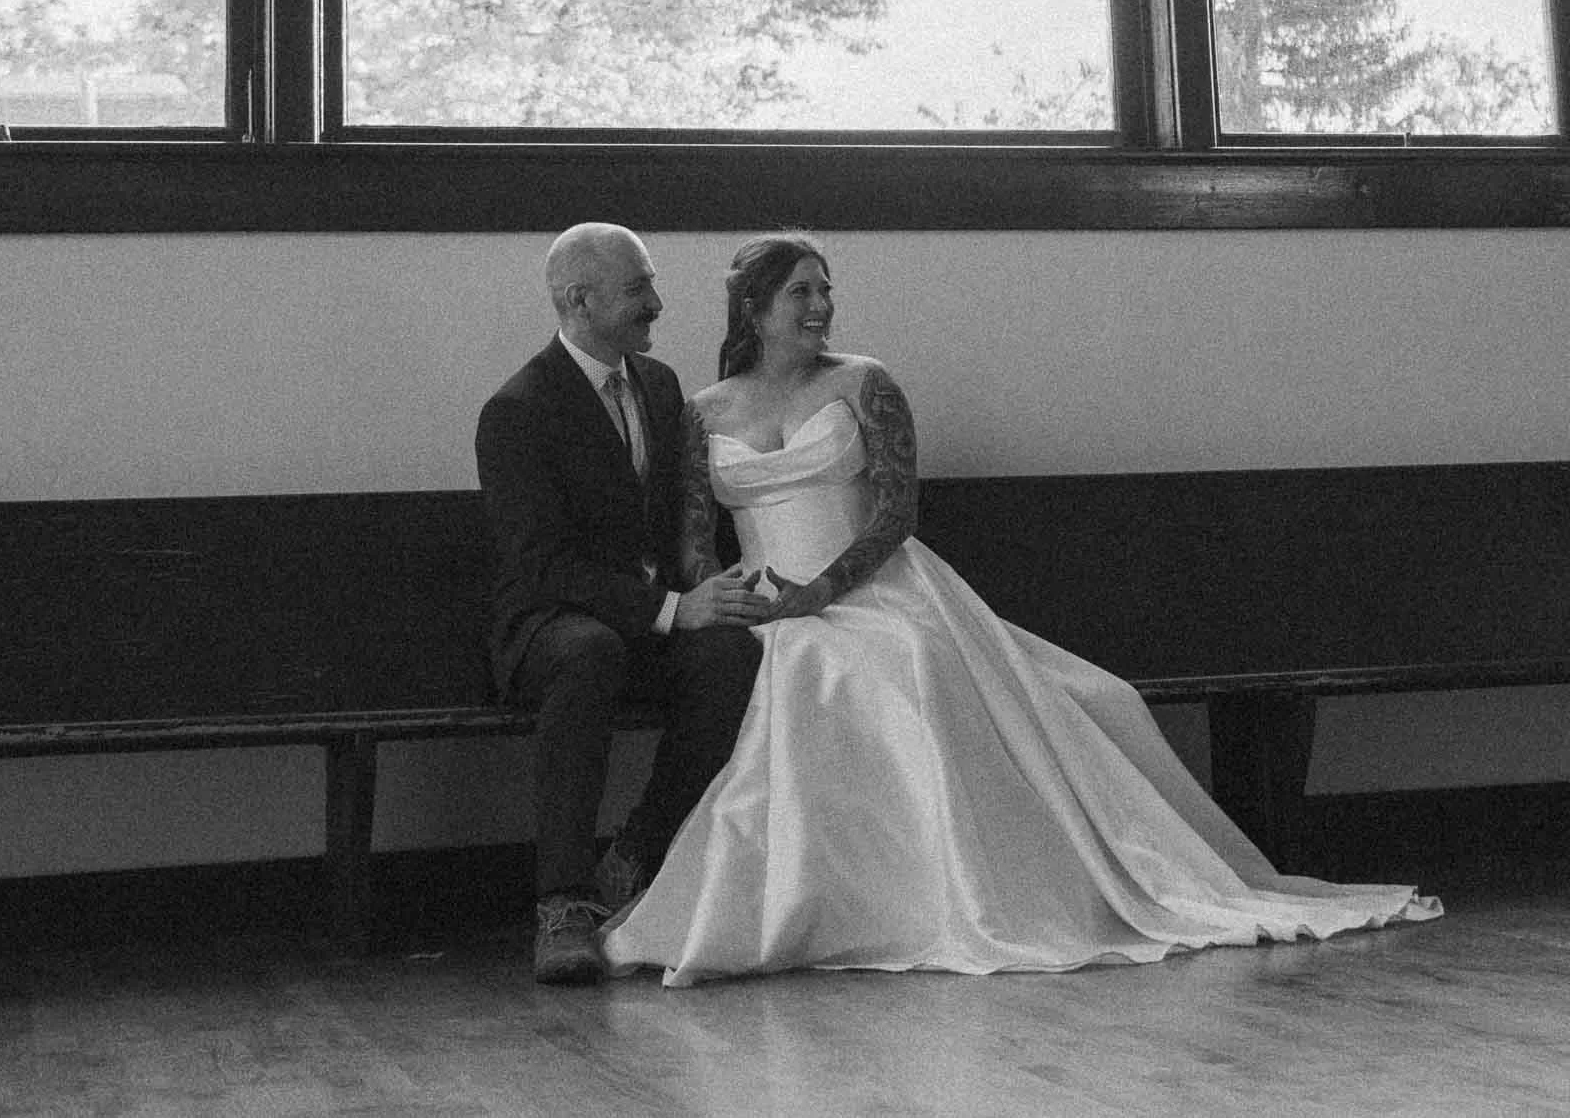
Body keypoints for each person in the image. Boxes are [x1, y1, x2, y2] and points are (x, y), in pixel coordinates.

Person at [602, 233, 1441, 986]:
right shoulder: (704, 412)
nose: (822, 306)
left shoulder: (866, 385)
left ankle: (937, 895)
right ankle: (799, 899)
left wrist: (821, 590)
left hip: (874, 583)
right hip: (764, 595)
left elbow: (896, 514)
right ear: (755, 308)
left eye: (827, 290)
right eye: (803, 292)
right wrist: (722, 593)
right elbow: (691, 536)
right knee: (789, 663)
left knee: (894, 661)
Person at [475, 222, 764, 985]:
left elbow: (682, 517)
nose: (658, 304)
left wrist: (712, 588)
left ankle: (641, 850)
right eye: (639, 288)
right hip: (549, 622)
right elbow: (541, 565)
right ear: (579, 299)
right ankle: (563, 905)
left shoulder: (662, 387)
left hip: (646, 610)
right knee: (589, 650)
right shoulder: (517, 410)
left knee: (733, 650)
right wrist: (670, 608)